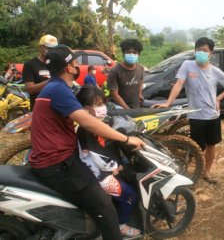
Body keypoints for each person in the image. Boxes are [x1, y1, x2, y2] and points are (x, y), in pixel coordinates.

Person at [28, 44, 145, 240]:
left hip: (56, 157)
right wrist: (126, 138)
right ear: (69, 68)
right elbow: (88, 123)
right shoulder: (58, 89)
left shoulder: (54, 88)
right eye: (75, 62)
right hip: (59, 163)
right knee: (104, 207)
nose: (77, 65)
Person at [153, 37, 224, 184]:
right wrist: (168, 103)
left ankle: (207, 171)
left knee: (211, 144)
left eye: (205, 51)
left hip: (212, 115)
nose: (201, 53)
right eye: (198, 50)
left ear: (211, 53)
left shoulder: (215, 72)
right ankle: (195, 170)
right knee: (196, 146)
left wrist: (218, 99)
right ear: (195, 51)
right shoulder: (187, 65)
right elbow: (179, 84)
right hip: (196, 114)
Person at [76, 86, 141, 238]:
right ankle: (121, 226)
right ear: (86, 109)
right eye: (98, 104)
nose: (102, 108)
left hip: (96, 171)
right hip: (99, 177)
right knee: (131, 195)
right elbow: (97, 156)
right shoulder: (88, 129)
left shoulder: (94, 124)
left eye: (102, 103)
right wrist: (114, 167)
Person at [22, 34, 58, 110]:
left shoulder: (57, 63)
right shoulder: (30, 64)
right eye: (49, 48)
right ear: (42, 47)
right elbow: (30, 89)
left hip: (54, 108)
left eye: (54, 48)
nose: (52, 51)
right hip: (38, 109)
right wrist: (50, 81)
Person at [107, 39, 144, 109]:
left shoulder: (140, 69)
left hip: (135, 106)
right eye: (129, 52)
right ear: (123, 54)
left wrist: (140, 94)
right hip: (118, 108)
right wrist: (127, 109)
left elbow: (141, 81)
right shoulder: (115, 71)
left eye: (134, 52)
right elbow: (114, 94)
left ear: (139, 54)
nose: (132, 55)